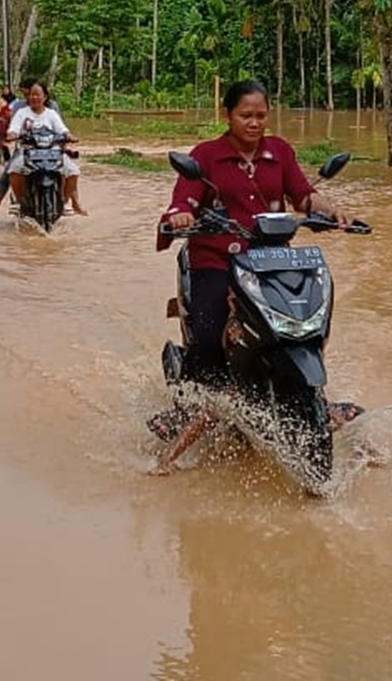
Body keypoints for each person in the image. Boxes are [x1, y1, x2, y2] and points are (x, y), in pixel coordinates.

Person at [148, 80, 360, 476]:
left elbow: (303, 194)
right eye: (246, 115)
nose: (254, 122)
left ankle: (303, 388)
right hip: (216, 260)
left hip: (272, 259)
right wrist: (181, 215)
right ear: (227, 116)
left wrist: (331, 211)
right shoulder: (206, 156)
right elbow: (183, 198)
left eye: (261, 115)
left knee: (305, 320)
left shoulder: (279, 151)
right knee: (211, 337)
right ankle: (190, 404)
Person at [0, 80, 87, 216]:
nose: (34, 97)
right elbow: (14, 128)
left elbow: (62, 129)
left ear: (45, 97)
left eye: (38, 95)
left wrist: (69, 136)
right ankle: (21, 202)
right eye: (32, 94)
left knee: (73, 171)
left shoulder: (51, 113)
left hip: (52, 152)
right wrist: (12, 134)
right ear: (28, 96)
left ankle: (64, 201)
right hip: (27, 151)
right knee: (13, 170)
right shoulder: (21, 112)